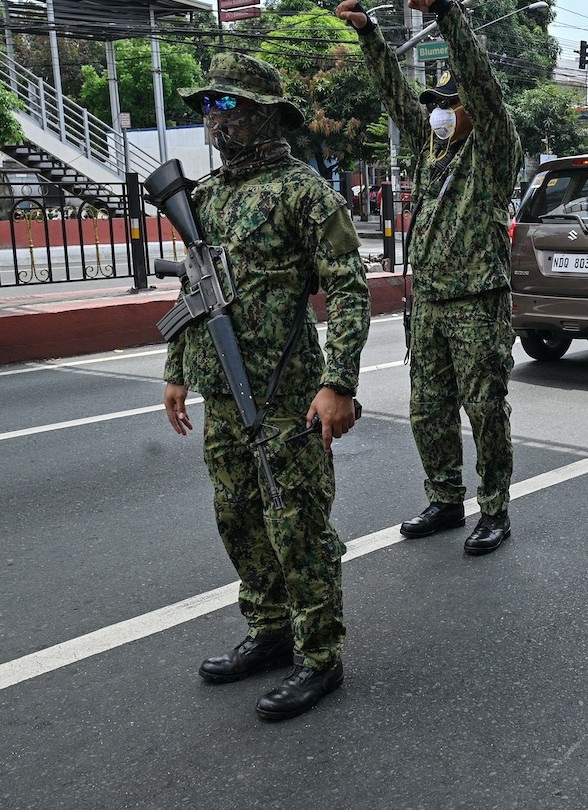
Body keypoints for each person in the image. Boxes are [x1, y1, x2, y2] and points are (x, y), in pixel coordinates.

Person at [162, 53, 371, 721]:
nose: (214, 119)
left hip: (285, 396)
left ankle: (319, 656)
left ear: (263, 114)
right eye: (208, 108)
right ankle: (271, 631)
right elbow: (193, 292)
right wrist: (175, 370)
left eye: (227, 106)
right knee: (240, 520)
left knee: (297, 526)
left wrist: (338, 382)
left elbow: (349, 288)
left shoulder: (304, 193)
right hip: (222, 394)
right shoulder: (203, 197)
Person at [337, 0, 522, 556]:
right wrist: (370, 36)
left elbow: (482, 84)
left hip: (478, 304)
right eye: (435, 103)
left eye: (449, 102)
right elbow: (395, 93)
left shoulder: (491, 150)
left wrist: (445, 12)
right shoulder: (429, 152)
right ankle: (445, 498)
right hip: (432, 305)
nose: (439, 111)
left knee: (486, 410)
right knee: (427, 409)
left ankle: (495, 510)